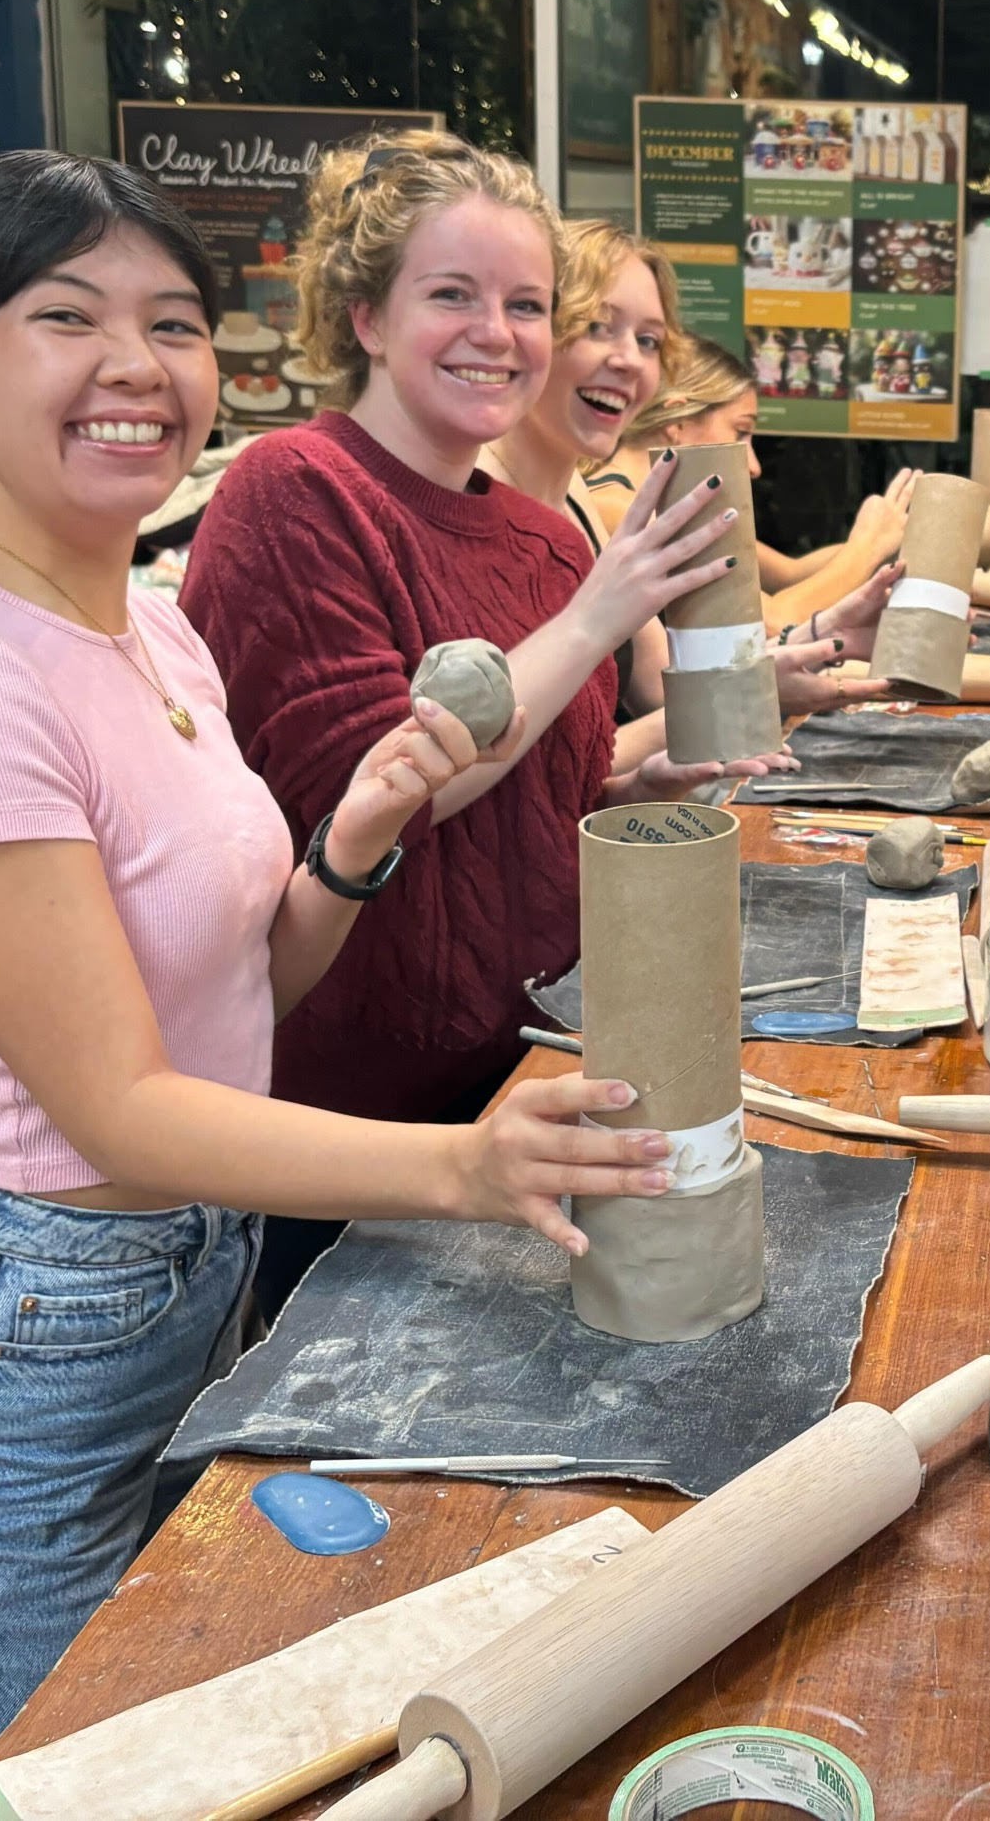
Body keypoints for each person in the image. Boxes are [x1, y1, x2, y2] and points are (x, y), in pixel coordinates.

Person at [0, 152, 669, 1819]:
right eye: (68, 321)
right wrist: (459, 1170)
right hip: (6, 1350)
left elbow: (245, 977)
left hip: (168, 1292)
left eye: (172, 323)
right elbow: (116, 1101)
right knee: (20, 1795)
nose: (138, 366)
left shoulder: (147, 630)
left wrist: (352, 842)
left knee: (161, 1763)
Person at [181, 133, 742, 1311]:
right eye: (454, 295)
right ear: (366, 317)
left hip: (527, 1087)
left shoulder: (541, 541)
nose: (499, 332)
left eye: (527, 304)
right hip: (349, 1140)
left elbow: (533, 789)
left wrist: (637, 788)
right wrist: (601, 613)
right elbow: (380, 793)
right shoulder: (294, 494)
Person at [484, 218, 894, 749]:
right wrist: (868, 545)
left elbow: (660, 685)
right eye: (595, 326)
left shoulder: (575, 495)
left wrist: (817, 639)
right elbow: (501, 769)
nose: (628, 358)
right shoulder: (530, 500)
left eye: (648, 340)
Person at [582, 328, 918, 633]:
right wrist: (868, 545)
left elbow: (790, 572)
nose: (754, 466)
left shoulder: (660, 508)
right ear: (678, 422)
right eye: (740, 432)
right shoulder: (625, 511)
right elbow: (770, 622)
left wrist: (896, 539)